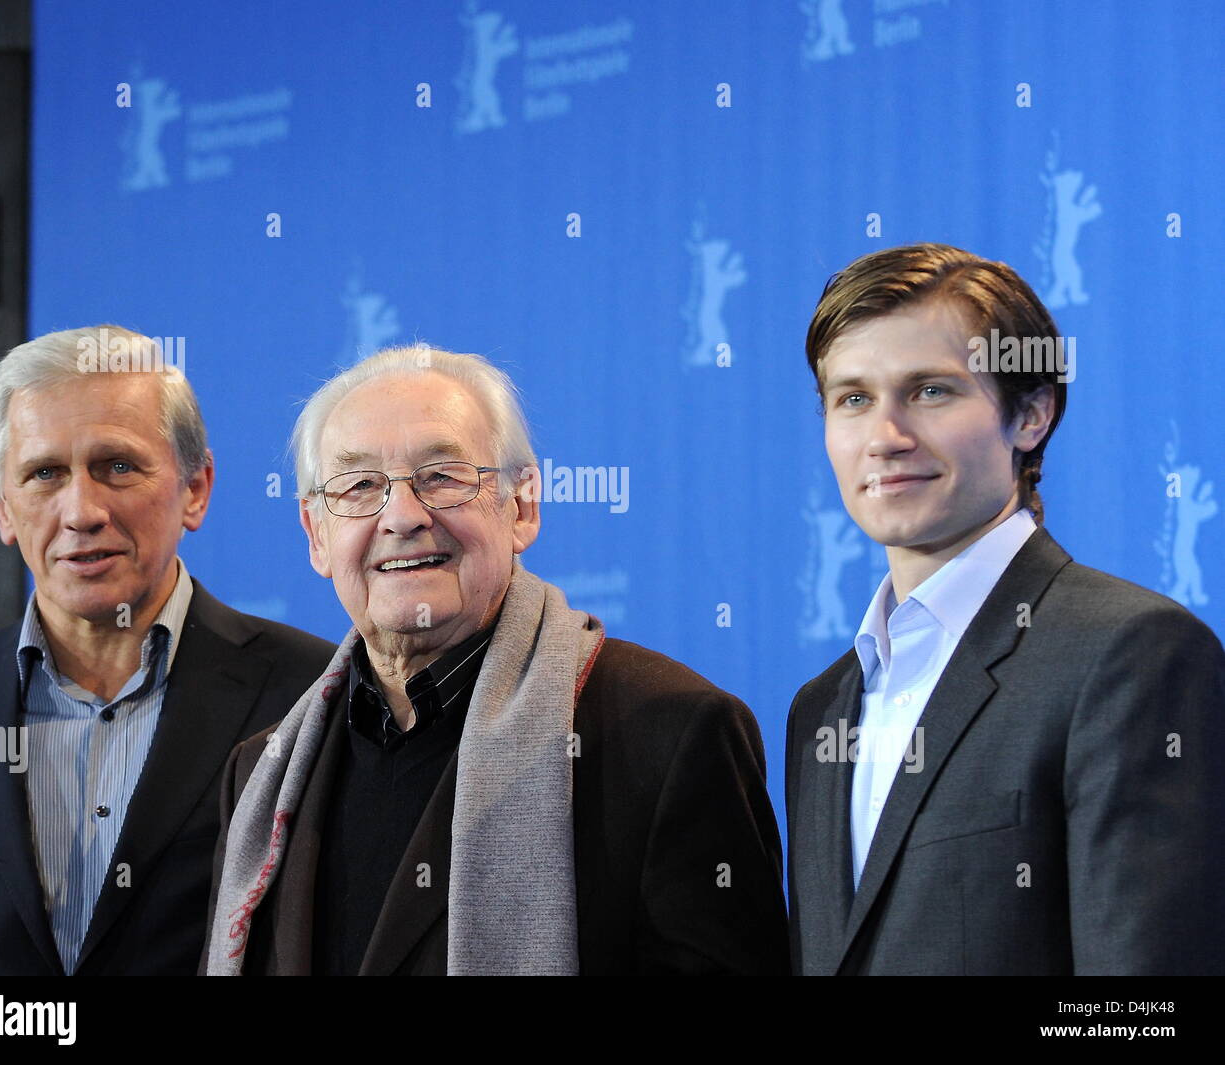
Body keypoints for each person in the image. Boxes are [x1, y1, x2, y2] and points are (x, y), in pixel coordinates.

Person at [202, 345, 788, 975]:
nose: (401, 516)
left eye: (442, 476)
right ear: (316, 533)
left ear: (521, 506)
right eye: (360, 485)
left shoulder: (670, 734)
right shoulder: (261, 773)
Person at [785, 243, 1225, 975]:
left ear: (1030, 415)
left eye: (930, 391)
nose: (886, 438)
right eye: (854, 398)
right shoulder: (820, 710)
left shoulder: (1129, 655)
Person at [0, 326, 335, 975]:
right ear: (2, 504)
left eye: (117, 466)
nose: (81, 510)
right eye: (44, 473)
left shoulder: (313, 696)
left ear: (195, 488)